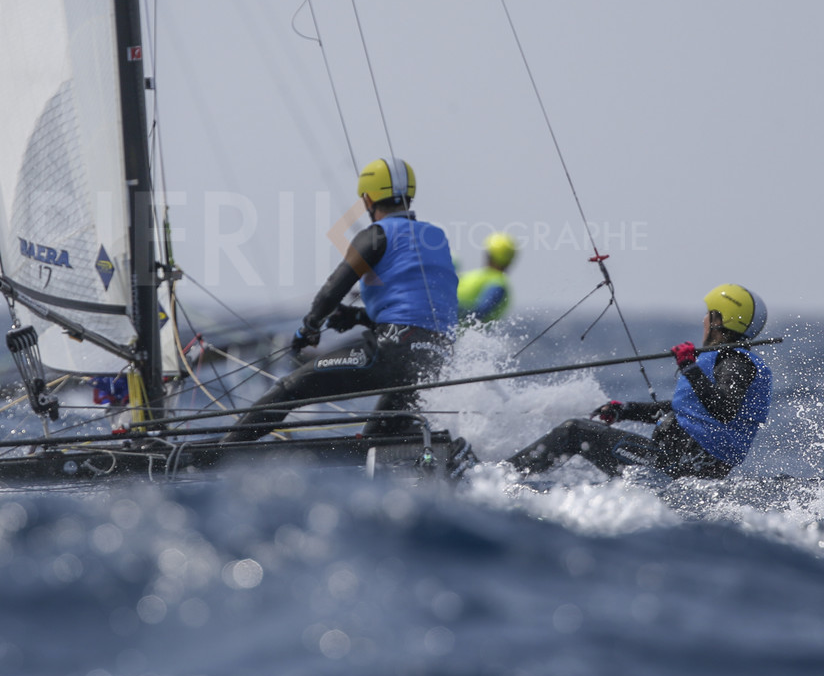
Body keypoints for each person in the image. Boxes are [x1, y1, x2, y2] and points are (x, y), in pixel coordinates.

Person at [221, 157, 459, 443]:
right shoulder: (437, 237)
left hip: (393, 353)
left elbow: (333, 288)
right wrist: (357, 317)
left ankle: (221, 451)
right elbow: (418, 309)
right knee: (376, 439)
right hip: (436, 358)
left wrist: (309, 327)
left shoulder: (376, 235)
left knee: (289, 388)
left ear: (368, 199)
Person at [506, 284, 772, 480]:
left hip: (675, 466)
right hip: (680, 464)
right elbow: (689, 412)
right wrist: (626, 410)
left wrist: (689, 367)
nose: (703, 320)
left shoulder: (736, 363)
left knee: (575, 432)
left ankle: (500, 477)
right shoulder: (729, 361)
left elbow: (723, 409)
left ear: (717, 319)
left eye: (708, 314)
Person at [458, 231, 518, 324]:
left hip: (445, 330)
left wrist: (447, 310)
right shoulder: (499, 283)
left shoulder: (497, 284)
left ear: (488, 254)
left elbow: (481, 312)